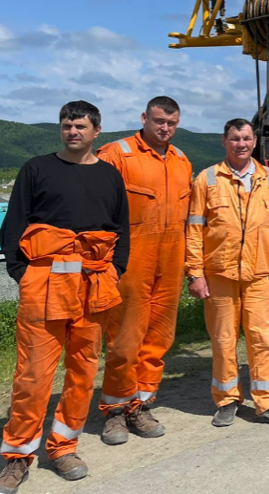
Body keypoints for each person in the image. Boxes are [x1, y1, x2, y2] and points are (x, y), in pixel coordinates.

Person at [0, 101, 129, 494]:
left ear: (96, 131)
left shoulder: (109, 176)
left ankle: (64, 447)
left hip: (94, 285)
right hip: (44, 285)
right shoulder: (37, 169)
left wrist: (116, 270)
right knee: (33, 375)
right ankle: (18, 457)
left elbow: (121, 229)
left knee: (83, 372)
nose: (73, 132)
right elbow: (13, 226)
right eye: (67, 125)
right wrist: (22, 273)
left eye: (81, 126)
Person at [185, 118, 269, 427]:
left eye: (246, 138)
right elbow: (194, 229)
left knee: (262, 340)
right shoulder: (207, 179)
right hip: (220, 274)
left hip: (258, 274)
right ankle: (227, 399)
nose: (241, 144)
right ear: (224, 141)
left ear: (255, 141)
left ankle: (266, 402)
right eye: (235, 138)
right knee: (223, 341)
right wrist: (195, 272)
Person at [98, 97, 193, 445]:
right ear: (144, 118)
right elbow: (98, 209)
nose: (164, 128)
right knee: (125, 339)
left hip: (170, 260)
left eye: (171, 123)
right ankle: (115, 410)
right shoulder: (117, 155)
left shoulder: (181, 160)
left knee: (158, 339)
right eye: (158, 121)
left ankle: (141, 404)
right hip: (131, 261)